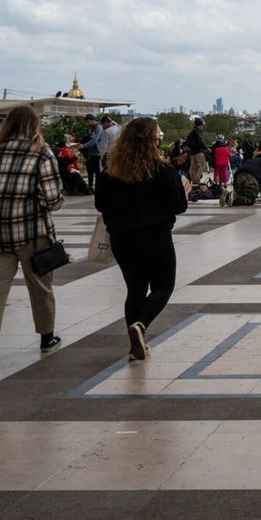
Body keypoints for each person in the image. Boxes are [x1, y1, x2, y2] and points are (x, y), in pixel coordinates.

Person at [0, 105, 65, 372]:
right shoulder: (42, 153)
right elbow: (52, 199)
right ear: (34, 126)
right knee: (40, 287)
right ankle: (47, 336)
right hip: (31, 233)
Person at [95, 117, 189, 362]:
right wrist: (185, 191)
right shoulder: (163, 171)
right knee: (163, 286)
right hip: (156, 237)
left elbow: (101, 205)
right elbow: (179, 206)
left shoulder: (109, 173)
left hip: (122, 239)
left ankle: (135, 346)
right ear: (152, 140)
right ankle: (140, 325)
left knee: (135, 289)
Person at [81, 114, 104, 192]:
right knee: (90, 172)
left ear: (93, 120)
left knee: (97, 172)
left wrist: (84, 145)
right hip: (90, 153)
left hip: (97, 153)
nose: (87, 123)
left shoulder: (99, 128)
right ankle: (90, 187)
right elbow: (89, 138)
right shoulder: (91, 128)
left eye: (88, 122)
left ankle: (98, 188)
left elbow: (95, 140)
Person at [185, 118, 209, 185]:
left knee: (193, 168)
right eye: (202, 125)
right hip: (198, 151)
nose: (202, 127)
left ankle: (193, 181)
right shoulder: (197, 132)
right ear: (199, 125)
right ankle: (196, 180)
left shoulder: (192, 132)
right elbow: (200, 140)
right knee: (203, 165)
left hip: (193, 152)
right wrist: (206, 148)